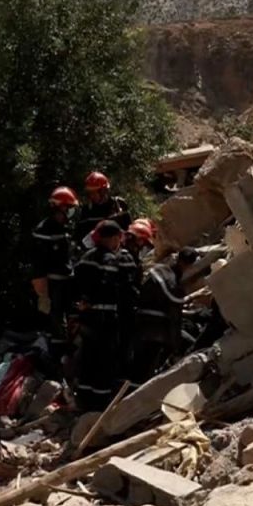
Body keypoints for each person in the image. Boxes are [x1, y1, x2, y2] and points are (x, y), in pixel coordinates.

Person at [72, 220, 140, 410]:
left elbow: (74, 283)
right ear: (113, 238)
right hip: (106, 319)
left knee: (88, 358)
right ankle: (99, 404)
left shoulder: (86, 257)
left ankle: (83, 399)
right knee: (104, 362)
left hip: (86, 318)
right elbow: (120, 289)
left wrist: (82, 304)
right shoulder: (110, 260)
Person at [130, 248, 198, 386]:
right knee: (144, 365)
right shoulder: (171, 281)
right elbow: (174, 308)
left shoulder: (161, 271)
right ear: (189, 265)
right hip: (154, 329)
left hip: (143, 324)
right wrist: (175, 343)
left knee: (139, 363)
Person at [32, 187, 80, 347]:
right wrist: (42, 293)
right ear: (60, 208)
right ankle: (57, 356)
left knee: (68, 319)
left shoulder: (63, 228)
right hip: (53, 285)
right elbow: (38, 262)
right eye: (68, 208)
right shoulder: (44, 229)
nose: (70, 212)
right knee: (55, 320)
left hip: (66, 282)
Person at [75, 171, 131, 241]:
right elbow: (80, 234)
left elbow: (128, 229)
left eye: (94, 192)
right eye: (90, 193)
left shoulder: (118, 204)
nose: (92, 196)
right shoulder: (87, 210)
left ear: (103, 191)